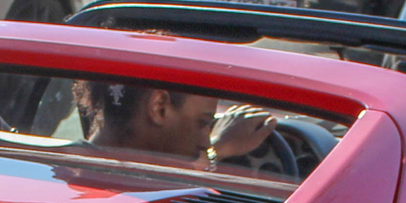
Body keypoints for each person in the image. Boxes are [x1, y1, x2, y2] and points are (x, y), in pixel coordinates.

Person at [70, 79, 277, 170]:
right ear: (159, 106)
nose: (206, 141)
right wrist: (215, 151)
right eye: (203, 123)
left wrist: (218, 149)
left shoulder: (56, 169)